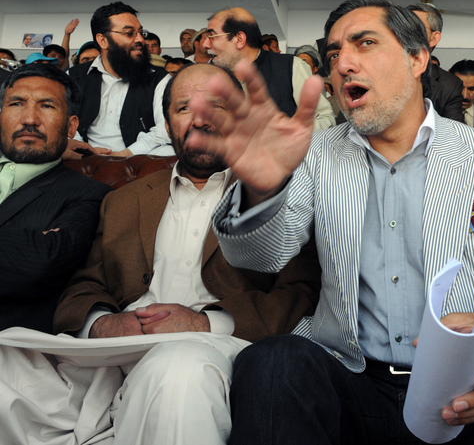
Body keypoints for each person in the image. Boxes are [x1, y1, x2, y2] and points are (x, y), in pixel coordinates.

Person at [188, 0, 474, 445]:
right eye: (333, 53)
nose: (342, 64)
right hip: (353, 382)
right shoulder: (316, 155)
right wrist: (261, 186)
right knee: (272, 364)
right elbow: (262, 256)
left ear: (418, 57)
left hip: (470, 391)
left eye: (364, 43)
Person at [0, 63, 321, 445]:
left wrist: (203, 324)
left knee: (177, 371)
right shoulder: (124, 199)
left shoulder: (273, 190)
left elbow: (300, 291)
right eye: (184, 108)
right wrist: (101, 323)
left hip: (210, 349)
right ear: (167, 125)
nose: (199, 119)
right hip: (108, 357)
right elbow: (86, 283)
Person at [0, 64, 111, 333]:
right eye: (16, 104)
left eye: (47, 106)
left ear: (72, 126)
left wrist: (35, 249)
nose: (29, 119)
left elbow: (39, 265)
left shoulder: (89, 194)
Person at [204, 7, 335, 131]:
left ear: (239, 39)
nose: (205, 44)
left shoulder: (290, 67)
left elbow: (324, 118)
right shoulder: (210, 75)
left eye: (211, 36)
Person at [68, 2, 173, 157]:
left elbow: (165, 129)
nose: (140, 40)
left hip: (140, 158)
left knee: (169, 152)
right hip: (83, 157)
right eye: (130, 33)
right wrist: (85, 150)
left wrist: (125, 154)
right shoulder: (74, 76)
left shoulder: (159, 78)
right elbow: (63, 123)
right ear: (103, 41)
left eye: (140, 33)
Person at [408, 2, 465, 123]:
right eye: (403, 26)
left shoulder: (450, 85)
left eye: (416, 27)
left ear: (434, 38)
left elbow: (453, 133)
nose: (406, 32)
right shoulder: (377, 71)